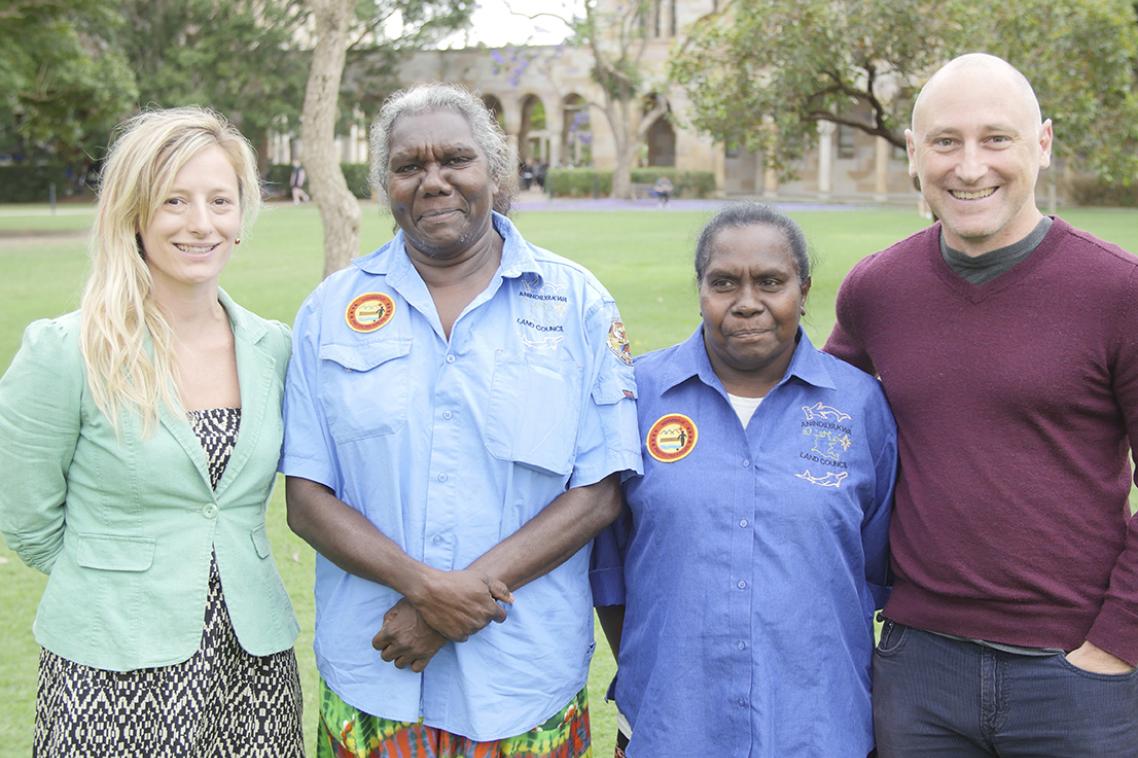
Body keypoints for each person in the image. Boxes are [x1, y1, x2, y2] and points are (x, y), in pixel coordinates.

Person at [280, 83, 641, 756]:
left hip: (523, 686)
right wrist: (425, 592)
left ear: (494, 172)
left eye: (455, 159)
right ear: (385, 181)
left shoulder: (578, 303)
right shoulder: (329, 311)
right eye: (409, 165)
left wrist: (453, 605)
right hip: (376, 677)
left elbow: (598, 492)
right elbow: (306, 499)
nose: (434, 180)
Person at [825, 53, 1138, 757]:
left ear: (1043, 144)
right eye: (945, 142)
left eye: (996, 139)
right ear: (914, 153)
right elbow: (810, 431)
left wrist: (1114, 647)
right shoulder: (877, 290)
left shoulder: (1119, 291)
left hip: (1074, 675)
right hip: (918, 675)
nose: (970, 168)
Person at [0, 107, 303, 755]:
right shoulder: (65, 351)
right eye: (175, 200)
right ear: (134, 214)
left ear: (241, 218)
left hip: (252, 666)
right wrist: (112, 581)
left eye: (220, 201)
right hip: (110, 666)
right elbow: (26, 518)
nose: (202, 223)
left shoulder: (273, 348)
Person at [592, 203, 897, 757]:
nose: (748, 302)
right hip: (672, 726)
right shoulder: (638, 396)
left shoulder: (860, 406)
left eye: (771, 282)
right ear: (701, 289)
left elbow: (871, 573)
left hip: (818, 729)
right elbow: (611, 567)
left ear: (803, 292)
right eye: (725, 282)